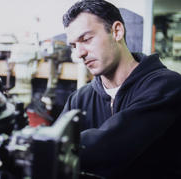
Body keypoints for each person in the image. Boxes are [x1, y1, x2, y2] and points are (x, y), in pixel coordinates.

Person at [60, 0, 181, 178]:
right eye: (74, 45)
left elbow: (111, 147)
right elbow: (55, 147)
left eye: (86, 39)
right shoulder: (79, 99)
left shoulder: (168, 86)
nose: (79, 53)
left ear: (117, 31)